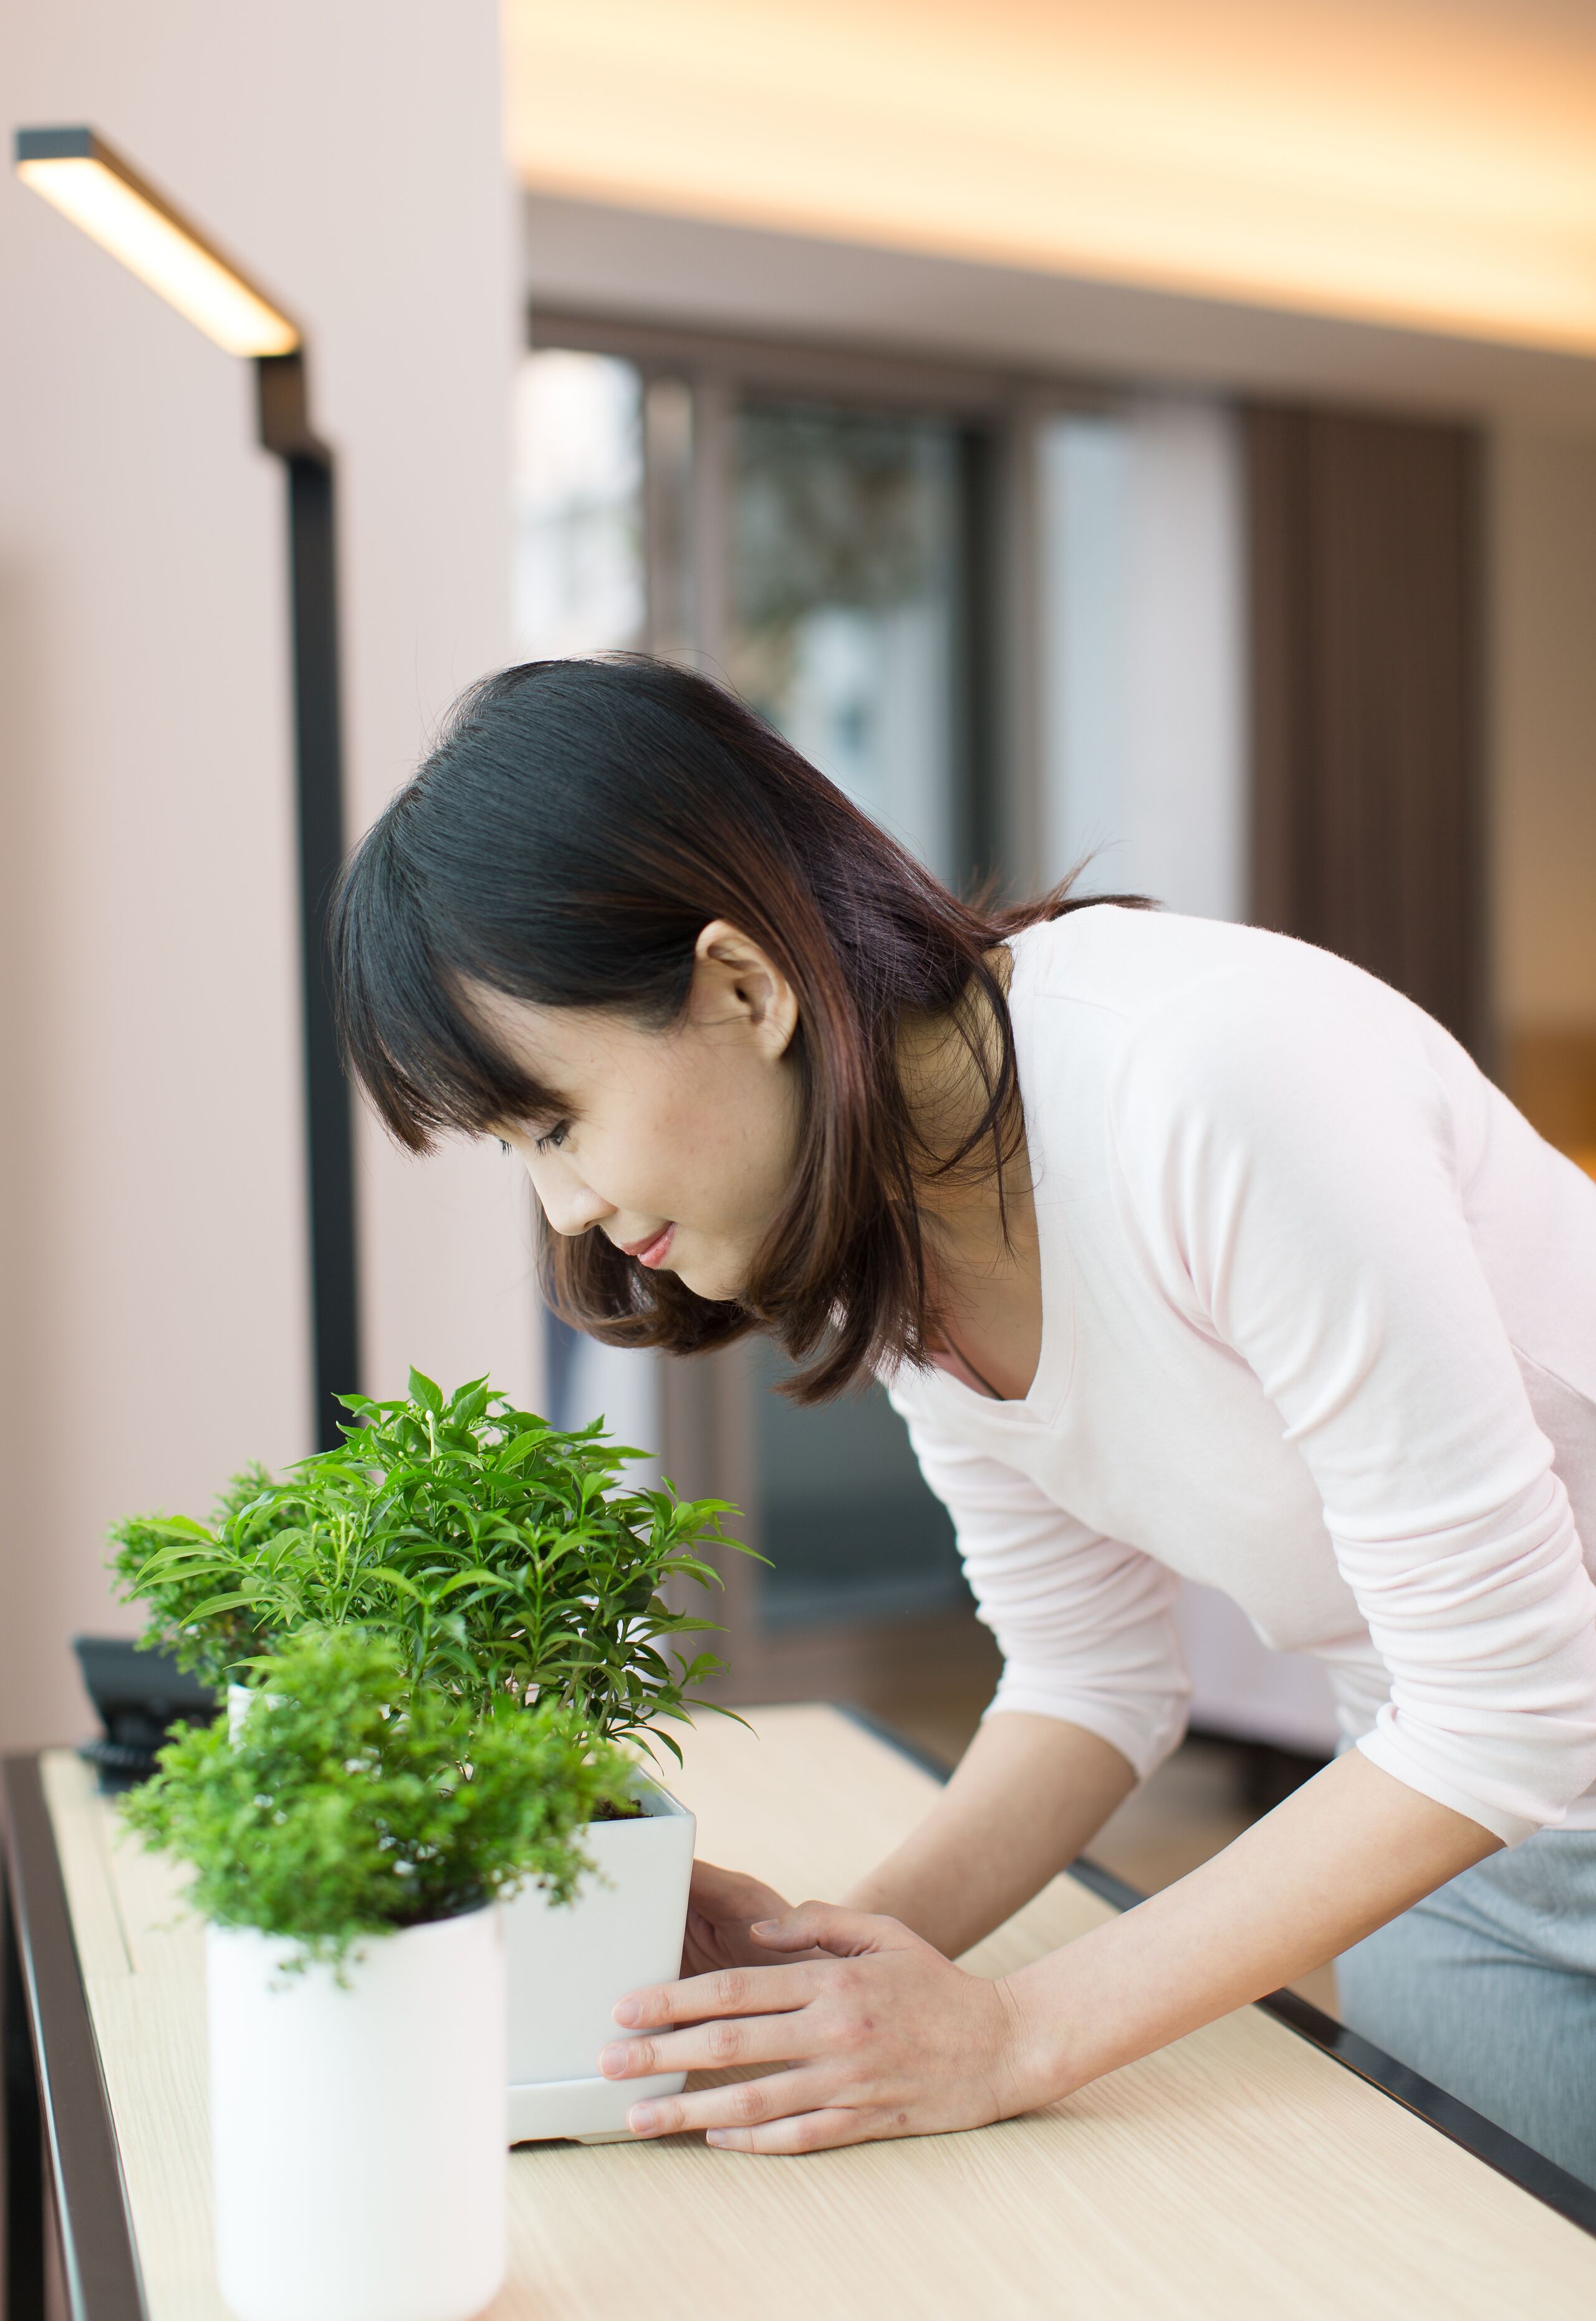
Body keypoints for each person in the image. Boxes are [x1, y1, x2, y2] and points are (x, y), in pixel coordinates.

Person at [331, 655, 1596, 2181]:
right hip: (1460, 1842)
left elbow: (1510, 1700)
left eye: (555, 1121)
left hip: (1478, 1761)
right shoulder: (893, 1232)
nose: (567, 1209)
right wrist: (810, 1974)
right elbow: (1088, 1677)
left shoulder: (1206, 1079)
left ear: (742, 988)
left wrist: (1014, 2034)